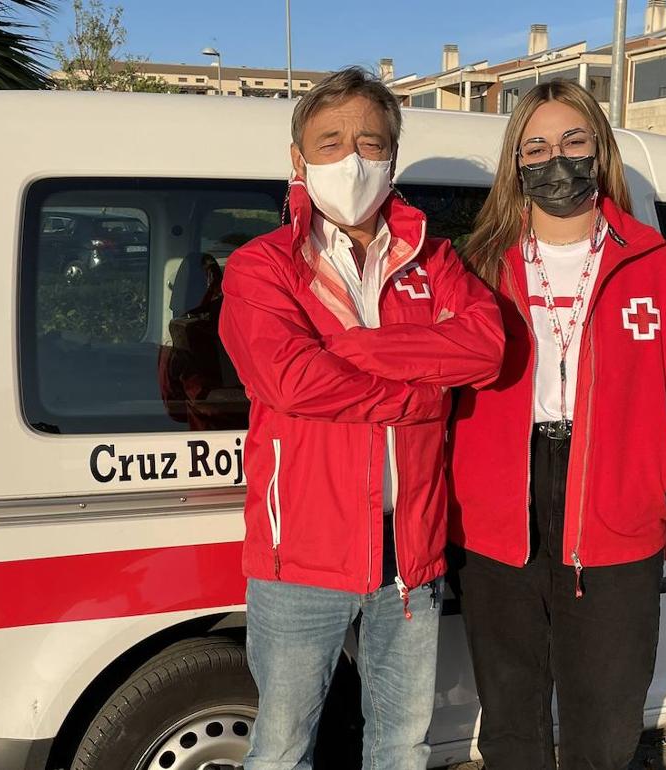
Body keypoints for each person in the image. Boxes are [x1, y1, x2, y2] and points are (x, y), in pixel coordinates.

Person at [218, 66, 504, 770]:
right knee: (281, 746)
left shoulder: (434, 260)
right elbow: (289, 378)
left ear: (393, 157)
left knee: (402, 744)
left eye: (371, 142)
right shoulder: (264, 267)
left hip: (411, 553)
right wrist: (421, 394)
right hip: (301, 555)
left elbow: (487, 347)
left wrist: (358, 349)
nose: (353, 158)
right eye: (331, 141)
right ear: (297, 159)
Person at [448, 80, 666, 769]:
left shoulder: (658, 268)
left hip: (613, 502)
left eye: (574, 141)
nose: (557, 160)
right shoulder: (478, 266)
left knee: (603, 720)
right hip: (498, 510)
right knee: (511, 722)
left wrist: (661, 470)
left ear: (600, 150)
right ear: (517, 164)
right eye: (536, 147)